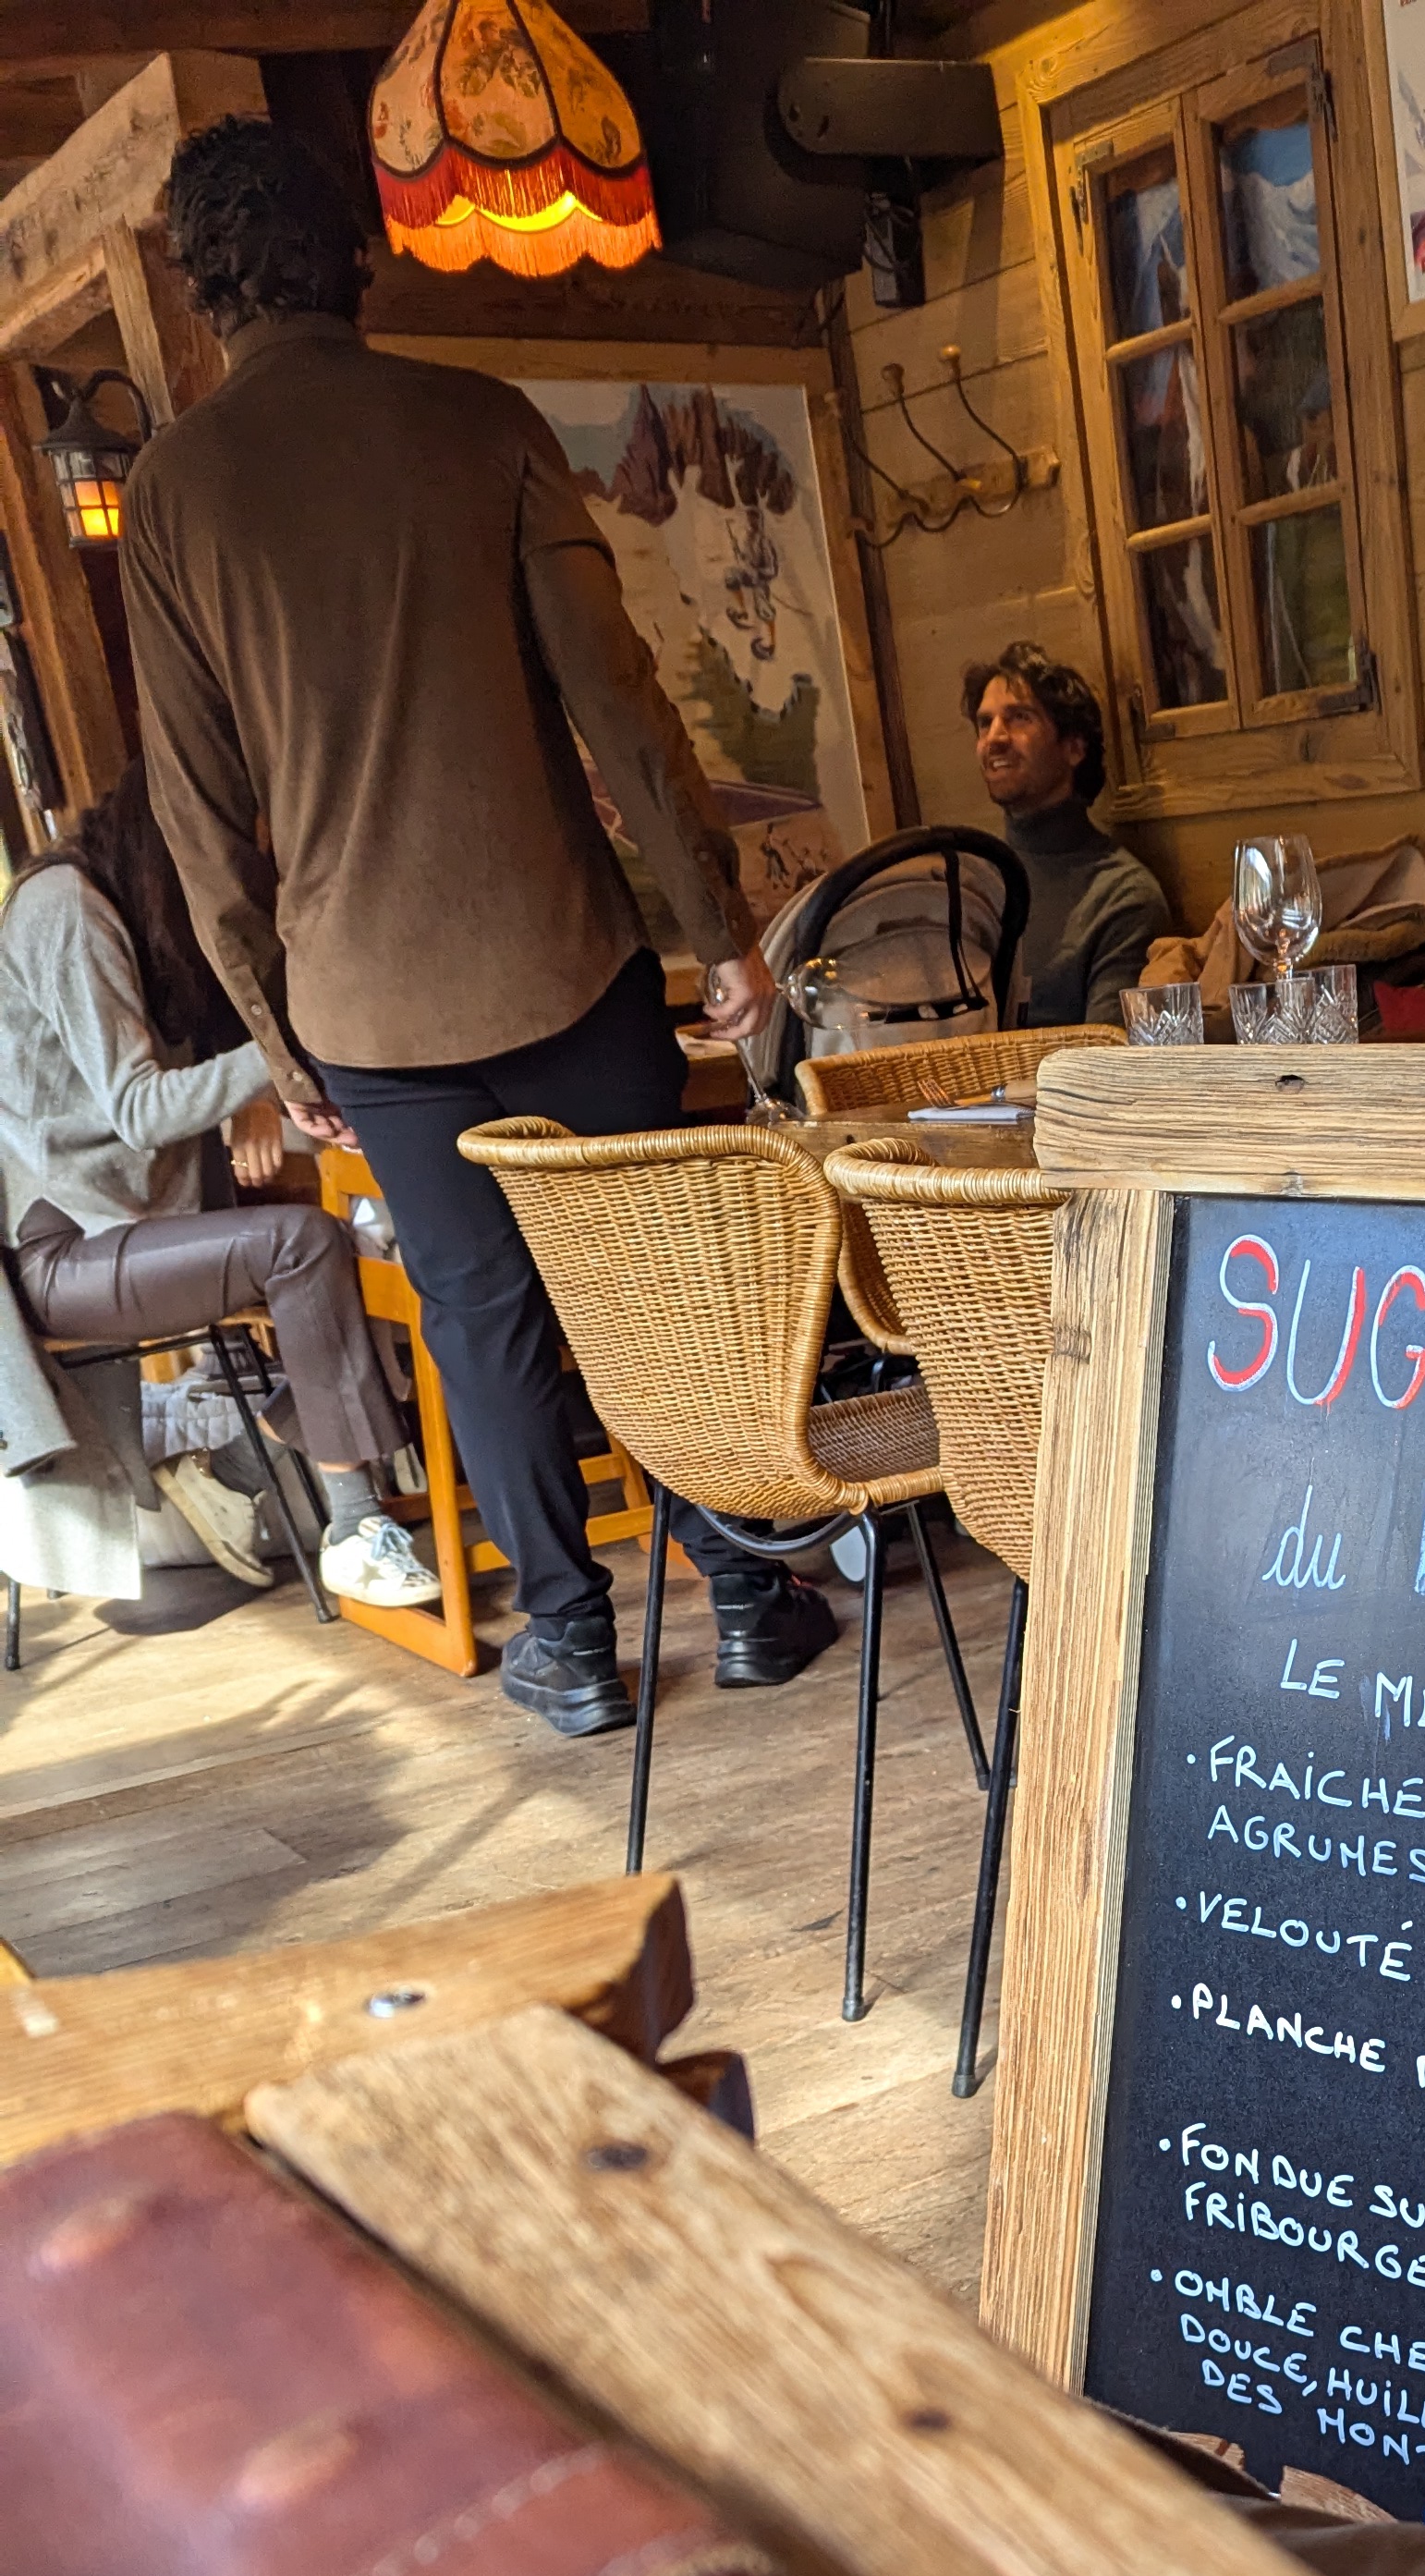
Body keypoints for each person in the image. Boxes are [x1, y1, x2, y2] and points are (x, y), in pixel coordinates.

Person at [121, 116, 832, 1738]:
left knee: (481, 1317)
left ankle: (572, 1647)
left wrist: (275, 1032)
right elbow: (620, 706)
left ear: (202, 288)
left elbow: (195, 808)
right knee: (649, 1280)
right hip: (564, 957)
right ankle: (743, 1598)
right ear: (354, 252)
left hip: (366, 1006)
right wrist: (720, 926)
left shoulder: (171, 493)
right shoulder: (478, 419)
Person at [0, 758, 436, 1613]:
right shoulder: (67, 909)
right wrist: (276, 1061)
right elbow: (139, 1110)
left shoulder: (134, 917)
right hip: (63, 1253)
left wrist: (264, 1091)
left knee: (397, 1255)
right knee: (304, 1244)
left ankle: (232, 1473)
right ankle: (355, 1528)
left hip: (131, 1231)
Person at [962, 645, 1167, 1026]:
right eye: (985, 723)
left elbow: (1103, 1053)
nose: (995, 738)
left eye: (1019, 718)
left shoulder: (1122, 896)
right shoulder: (968, 886)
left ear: (1074, 747)